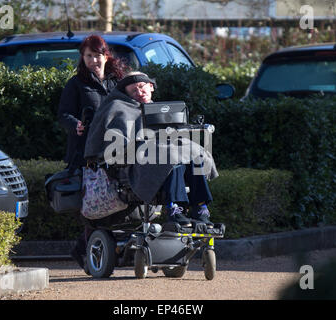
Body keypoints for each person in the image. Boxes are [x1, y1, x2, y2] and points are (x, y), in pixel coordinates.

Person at [84, 72, 218, 228]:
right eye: (133, 90)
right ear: (126, 93)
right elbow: (115, 144)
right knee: (169, 156)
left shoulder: (161, 111)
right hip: (133, 162)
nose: (139, 92)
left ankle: (200, 207)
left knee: (194, 152)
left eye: (141, 87)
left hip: (162, 155)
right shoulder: (118, 108)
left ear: (151, 87)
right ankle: (174, 208)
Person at [57, 35, 127, 270]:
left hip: (117, 151)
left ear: (106, 56)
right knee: (93, 204)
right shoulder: (76, 84)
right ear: (83, 58)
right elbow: (63, 114)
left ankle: (88, 249)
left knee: (115, 198)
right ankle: (86, 251)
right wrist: (75, 124)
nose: (93, 60)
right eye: (88, 56)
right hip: (86, 153)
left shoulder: (118, 81)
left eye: (97, 55)